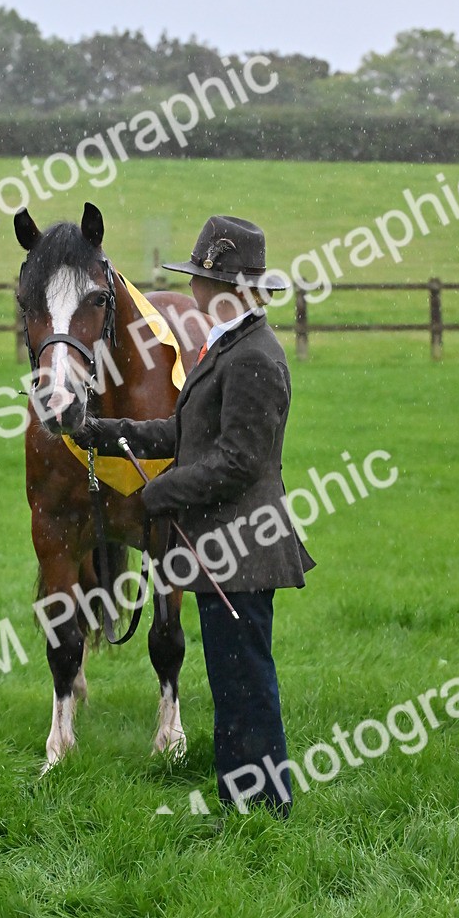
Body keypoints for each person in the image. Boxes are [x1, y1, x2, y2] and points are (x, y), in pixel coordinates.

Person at [72, 216, 315, 816]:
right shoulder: (228, 344)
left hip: (245, 549)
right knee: (232, 684)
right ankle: (242, 802)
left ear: (228, 288)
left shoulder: (254, 356)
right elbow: (185, 432)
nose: (193, 288)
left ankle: (266, 807)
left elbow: (238, 461)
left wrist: (159, 493)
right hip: (223, 550)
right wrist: (102, 431)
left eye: (200, 278)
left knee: (247, 684)